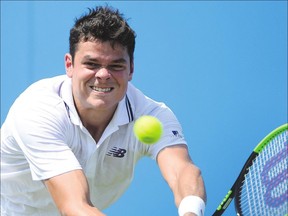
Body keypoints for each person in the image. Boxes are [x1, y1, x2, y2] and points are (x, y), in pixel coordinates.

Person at [1, 5, 206, 216]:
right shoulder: (37, 111)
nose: (103, 75)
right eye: (91, 64)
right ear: (69, 65)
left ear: (131, 69)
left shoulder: (152, 115)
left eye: (116, 66)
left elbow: (182, 170)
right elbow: (75, 206)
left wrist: (191, 211)